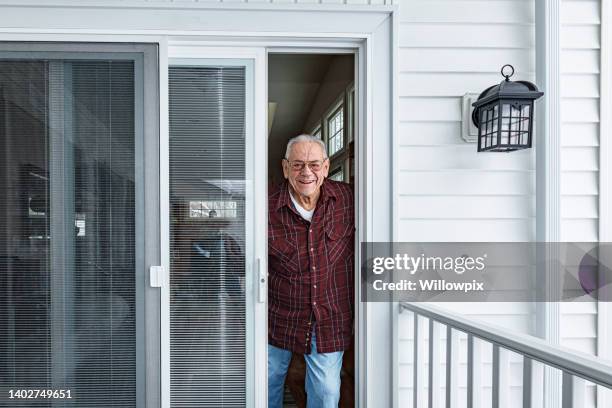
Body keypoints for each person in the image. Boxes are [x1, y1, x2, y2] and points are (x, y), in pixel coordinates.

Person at [268, 134, 355, 408]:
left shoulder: (349, 199)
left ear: (326, 167)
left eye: (314, 164)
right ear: (285, 168)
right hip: (278, 314)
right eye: (297, 165)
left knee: (327, 391)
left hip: (329, 316)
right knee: (267, 380)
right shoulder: (265, 206)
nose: (307, 172)